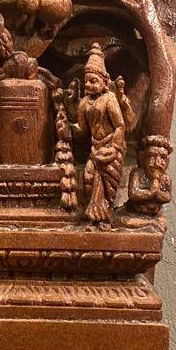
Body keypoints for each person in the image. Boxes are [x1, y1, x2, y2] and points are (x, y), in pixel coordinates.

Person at [73, 44, 126, 226]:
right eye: (87, 81)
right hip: (95, 147)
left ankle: (105, 213)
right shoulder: (84, 103)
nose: (89, 84)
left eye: (94, 81)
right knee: (88, 177)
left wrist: (114, 148)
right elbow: (82, 132)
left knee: (107, 182)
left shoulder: (109, 99)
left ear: (104, 82)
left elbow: (120, 126)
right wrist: (67, 128)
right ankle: (93, 212)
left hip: (111, 146)